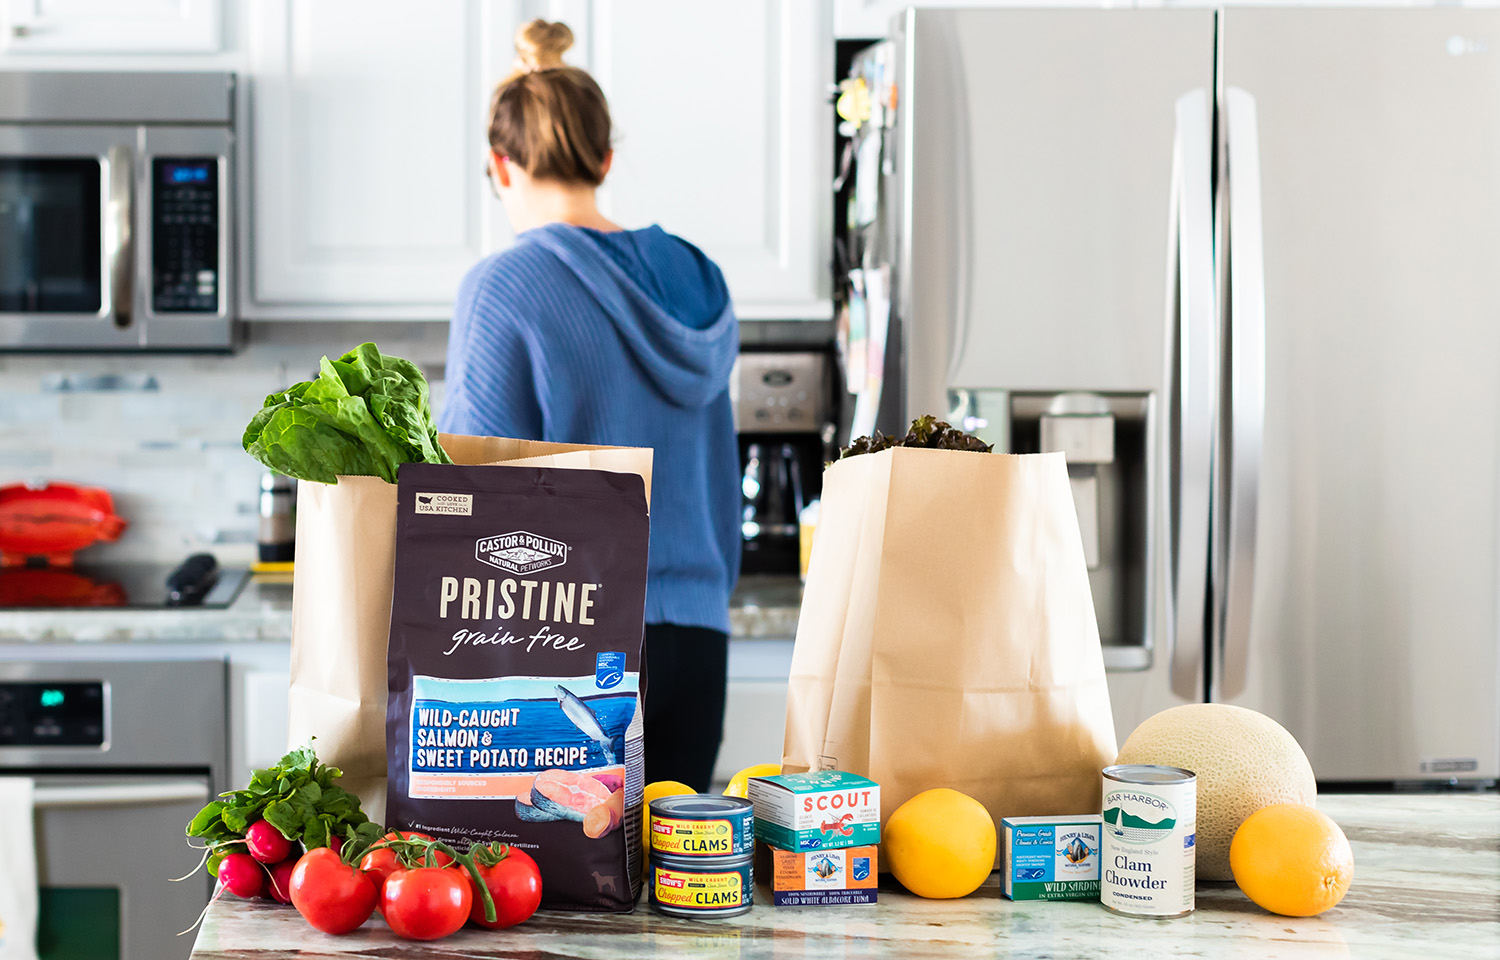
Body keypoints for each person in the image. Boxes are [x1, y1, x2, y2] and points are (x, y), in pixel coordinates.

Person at [439, 19, 740, 793]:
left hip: (568, 650)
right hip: (699, 641)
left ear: (501, 167)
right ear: (605, 160)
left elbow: (464, 491)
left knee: (558, 902)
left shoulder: (503, 287)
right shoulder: (699, 278)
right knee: (671, 888)